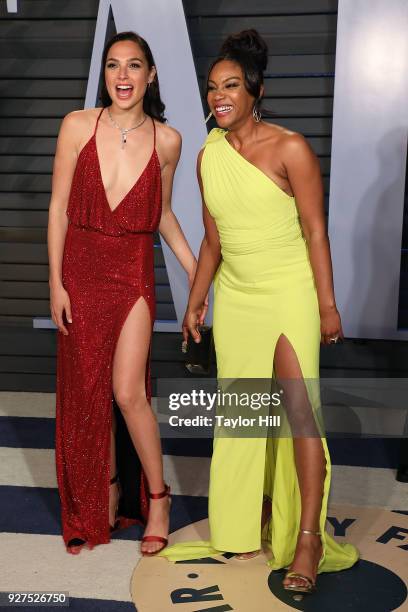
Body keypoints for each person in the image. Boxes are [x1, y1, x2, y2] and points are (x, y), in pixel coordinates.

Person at [159, 29, 359, 593]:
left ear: (256, 92)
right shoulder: (208, 157)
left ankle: (308, 541)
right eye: (211, 87)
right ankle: (246, 525)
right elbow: (212, 243)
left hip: (289, 291)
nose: (218, 96)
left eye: (230, 86)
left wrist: (327, 305)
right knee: (245, 418)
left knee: (299, 416)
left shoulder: (290, 147)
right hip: (238, 296)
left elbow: (316, 231)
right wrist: (197, 303)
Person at [48, 31, 197, 556]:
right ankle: (103, 496)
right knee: (87, 393)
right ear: (105, 74)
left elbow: (162, 216)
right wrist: (55, 283)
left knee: (127, 392)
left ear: (151, 75)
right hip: (80, 272)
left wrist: (198, 275)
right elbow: (59, 207)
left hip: (131, 273)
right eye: (114, 65)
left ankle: (158, 498)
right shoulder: (77, 126)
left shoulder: (169, 140)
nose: (123, 76)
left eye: (134, 66)